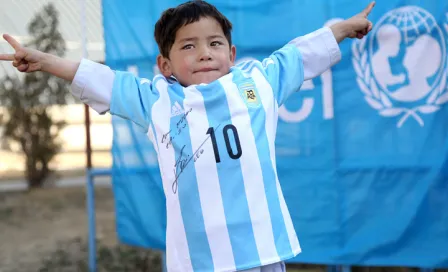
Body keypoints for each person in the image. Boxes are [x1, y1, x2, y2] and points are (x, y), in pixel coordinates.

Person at [0, 1, 375, 271]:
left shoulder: (257, 83)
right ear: (165, 65)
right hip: (199, 260)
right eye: (188, 45)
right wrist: (46, 61)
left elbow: (299, 55)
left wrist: (342, 28)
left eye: (214, 44)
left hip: (263, 250)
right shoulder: (158, 100)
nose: (204, 53)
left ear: (231, 53)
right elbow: (105, 81)